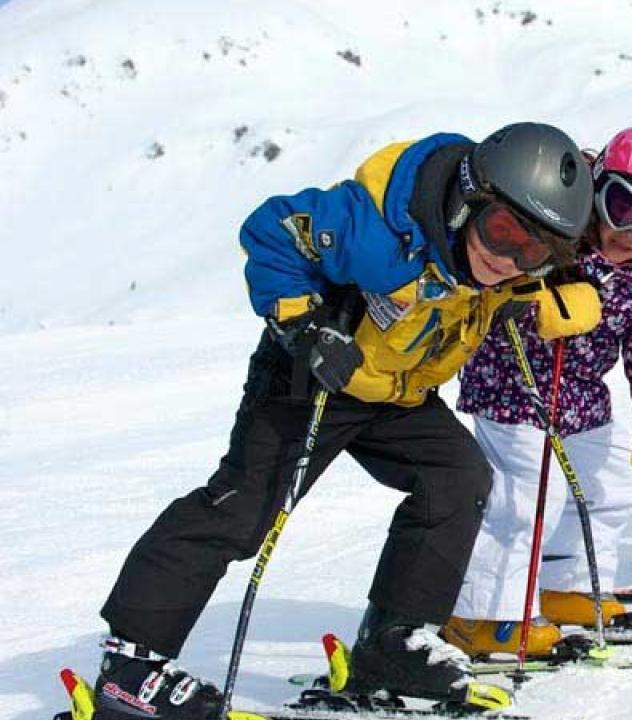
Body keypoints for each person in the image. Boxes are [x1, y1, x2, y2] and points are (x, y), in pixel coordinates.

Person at [90, 122, 595, 720]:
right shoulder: (377, 227)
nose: (508, 257)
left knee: (457, 476)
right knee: (244, 507)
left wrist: (537, 297)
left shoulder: (499, 267)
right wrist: (303, 326)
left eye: (533, 250)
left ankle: (394, 645)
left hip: (394, 390)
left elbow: (491, 289)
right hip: (315, 374)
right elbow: (273, 229)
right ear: (468, 200)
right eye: (504, 232)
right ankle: (130, 667)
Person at [442, 124, 632, 657]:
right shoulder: (551, 226)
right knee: (527, 497)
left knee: (611, 481)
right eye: (622, 207)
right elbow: (486, 283)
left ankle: (566, 586)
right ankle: (482, 614)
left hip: (581, 400)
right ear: (595, 182)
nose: (631, 235)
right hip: (512, 389)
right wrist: (537, 300)